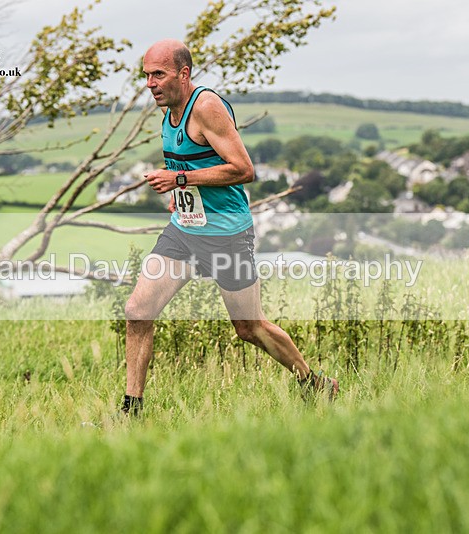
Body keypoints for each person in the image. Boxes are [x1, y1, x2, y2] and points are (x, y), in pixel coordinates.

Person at [120, 39, 338, 416]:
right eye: (146, 75)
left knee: (249, 327)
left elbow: (244, 169)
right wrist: (180, 191)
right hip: (185, 231)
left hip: (227, 235)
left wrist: (181, 180)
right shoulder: (168, 110)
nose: (150, 83)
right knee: (138, 310)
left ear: (183, 74)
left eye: (159, 74)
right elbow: (187, 164)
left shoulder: (206, 107)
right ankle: (131, 411)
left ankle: (315, 383)